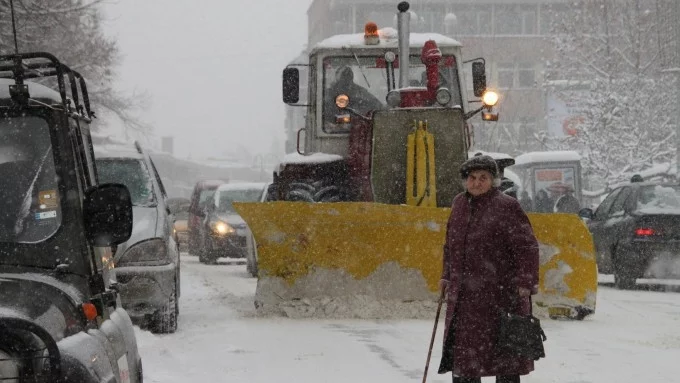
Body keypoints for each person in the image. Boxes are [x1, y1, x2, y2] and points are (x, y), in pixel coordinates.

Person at [438, 154, 540, 383]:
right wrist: (446, 276)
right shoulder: (459, 204)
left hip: (501, 297)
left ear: (493, 180)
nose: (476, 182)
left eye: (483, 177)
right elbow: (450, 245)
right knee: (465, 363)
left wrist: (525, 282)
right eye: (472, 178)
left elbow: (527, 247)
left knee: (505, 360)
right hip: (465, 300)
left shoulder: (507, 206)